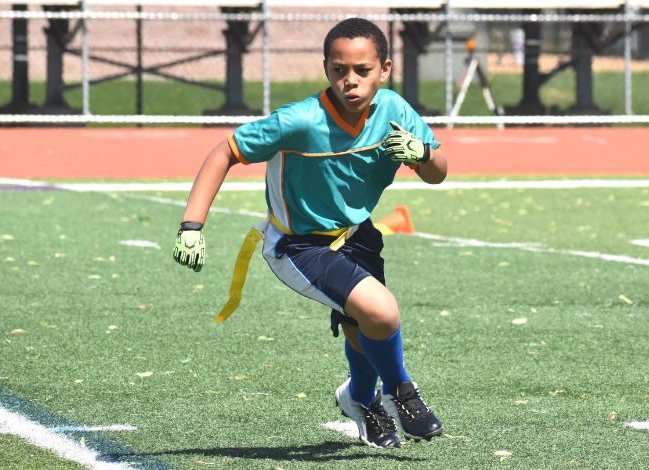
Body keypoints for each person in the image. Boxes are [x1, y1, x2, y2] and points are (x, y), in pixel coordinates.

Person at [173, 17, 448, 449]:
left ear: (386, 69)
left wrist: (423, 154)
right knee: (382, 312)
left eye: (362, 70)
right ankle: (402, 394)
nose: (350, 81)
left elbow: (439, 173)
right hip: (298, 245)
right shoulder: (299, 120)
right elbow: (224, 151)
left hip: (357, 234)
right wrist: (192, 225)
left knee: (364, 327)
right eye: (340, 70)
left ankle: (359, 399)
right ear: (326, 69)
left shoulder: (395, 111)